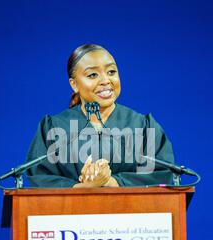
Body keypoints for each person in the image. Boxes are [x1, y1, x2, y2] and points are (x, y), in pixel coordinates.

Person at [25, 44, 175, 188]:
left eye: (111, 72)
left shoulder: (142, 125)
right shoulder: (54, 127)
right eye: (93, 75)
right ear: (74, 84)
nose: (105, 81)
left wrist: (111, 182)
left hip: (131, 213)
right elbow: (40, 178)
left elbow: (162, 173)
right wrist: (83, 187)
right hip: (71, 213)